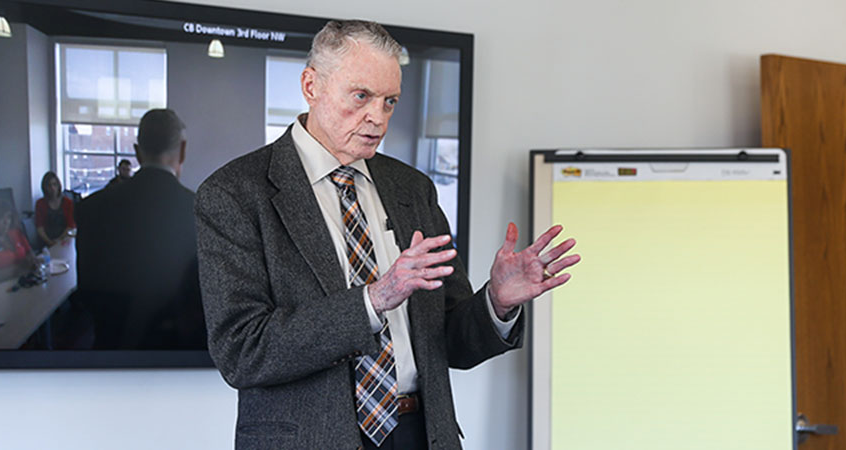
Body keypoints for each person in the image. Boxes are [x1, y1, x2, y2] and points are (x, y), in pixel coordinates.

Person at [195, 20, 579, 449]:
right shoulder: (233, 193)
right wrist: (374, 300)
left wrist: (497, 302)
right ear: (311, 86)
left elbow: (451, 342)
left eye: (390, 101)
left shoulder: (413, 189)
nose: (377, 117)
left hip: (419, 434)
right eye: (361, 96)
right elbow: (242, 352)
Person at [74, 109, 205, 350]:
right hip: (181, 360)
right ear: (183, 150)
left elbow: (86, 293)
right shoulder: (204, 214)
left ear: (137, 151)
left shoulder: (90, 208)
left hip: (109, 354)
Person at [35, 172, 75, 248]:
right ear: (45, 187)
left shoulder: (67, 202)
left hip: (64, 240)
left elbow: (70, 225)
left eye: (54, 184)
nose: (52, 188)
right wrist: (49, 242)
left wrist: (59, 240)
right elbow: (39, 227)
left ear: (58, 186)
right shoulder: (40, 203)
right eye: (49, 186)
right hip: (46, 241)